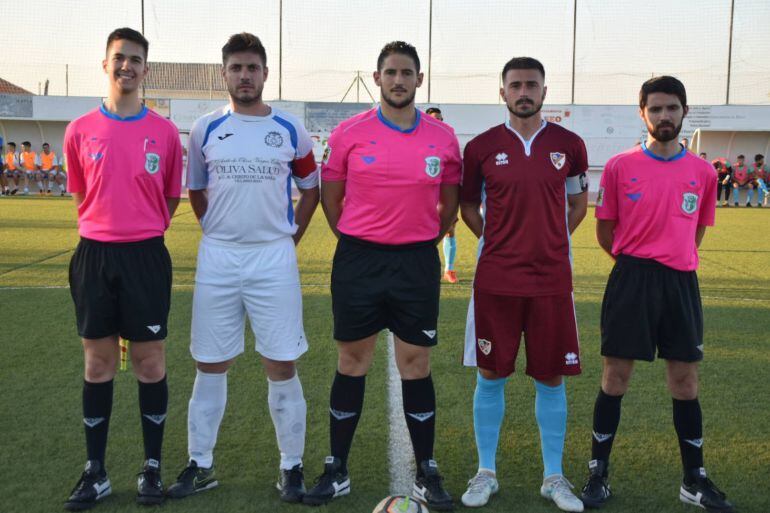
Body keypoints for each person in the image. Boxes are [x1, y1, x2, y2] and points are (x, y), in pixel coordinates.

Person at [303, 41, 460, 511]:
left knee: (416, 363)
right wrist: (357, 238)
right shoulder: (350, 133)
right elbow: (332, 199)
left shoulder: (443, 137)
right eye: (390, 72)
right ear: (377, 78)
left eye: (406, 73)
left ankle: (426, 469)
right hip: (359, 261)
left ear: (419, 80)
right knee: (353, 360)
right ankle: (337, 467)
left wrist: (422, 240)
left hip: (415, 263)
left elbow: (449, 204)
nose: (398, 80)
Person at [165, 32, 319, 504]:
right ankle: (201, 464)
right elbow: (195, 190)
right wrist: (217, 229)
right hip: (219, 257)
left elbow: (310, 188)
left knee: (281, 361)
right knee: (210, 363)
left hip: (273, 257)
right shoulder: (205, 128)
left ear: (265, 73)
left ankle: (291, 468)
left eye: (253, 67)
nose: (245, 75)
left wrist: (291, 236)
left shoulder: (291, 130)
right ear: (224, 74)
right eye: (236, 67)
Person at [580, 76, 734, 513]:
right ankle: (598, 473)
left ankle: (694, 479)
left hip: (680, 282)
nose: (664, 116)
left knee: (685, 382)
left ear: (684, 111)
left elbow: (698, 231)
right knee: (615, 379)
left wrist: (672, 258)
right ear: (642, 112)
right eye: (656, 109)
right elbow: (605, 231)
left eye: (672, 108)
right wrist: (636, 264)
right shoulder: (619, 166)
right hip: (631, 279)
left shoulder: (703, 173)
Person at [459, 57, 589, 512]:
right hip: (496, 278)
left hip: (552, 279)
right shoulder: (479, 147)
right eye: (515, 84)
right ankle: (485, 472)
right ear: (502, 93)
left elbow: (578, 203)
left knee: (551, 377)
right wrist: (497, 240)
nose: (524, 91)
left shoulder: (569, 144)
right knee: (491, 373)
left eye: (532, 84)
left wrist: (550, 241)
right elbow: (469, 209)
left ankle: (554, 476)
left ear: (544, 91)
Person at [62, 27, 183, 511]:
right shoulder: (79, 130)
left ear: (146, 69)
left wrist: (141, 229)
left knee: (151, 363)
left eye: (136, 59)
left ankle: (152, 468)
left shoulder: (166, 132)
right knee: (98, 363)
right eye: (119, 58)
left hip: (146, 256)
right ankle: (96, 471)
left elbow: (170, 197)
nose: (127, 66)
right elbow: (80, 195)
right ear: (105, 64)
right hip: (94, 254)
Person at [427, 106, 460, 284]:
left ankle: (449, 269)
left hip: (443, 196)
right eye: (434, 119)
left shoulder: (448, 141)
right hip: (424, 198)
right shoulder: (419, 141)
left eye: (440, 119)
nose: (438, 122)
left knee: (449, 231)